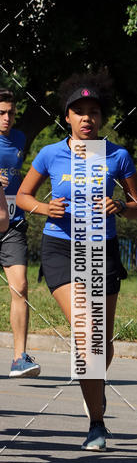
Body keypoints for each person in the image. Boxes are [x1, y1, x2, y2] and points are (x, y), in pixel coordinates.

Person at [16, 74, 137, 450]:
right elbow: (24, 195)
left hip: (102, 251)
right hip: (61, 249)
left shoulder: (118, 156)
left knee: (102, 345)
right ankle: (97, 423)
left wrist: (120, 205)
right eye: (79, 112)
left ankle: (95, 390)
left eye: (93, 112)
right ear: (67, 117)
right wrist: (44, 207)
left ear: (101, 118)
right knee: (88, 334)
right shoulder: (49, 154)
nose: (86, 118)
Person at [0, 89, 41, 377]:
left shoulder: (19, 139)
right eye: (1, 113)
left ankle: (19, 359)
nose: (7, 118)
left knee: (21, 287)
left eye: (11, 112)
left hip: (12, 224)